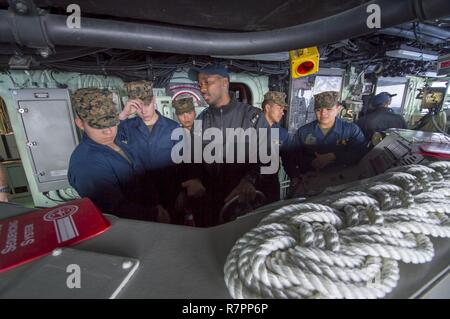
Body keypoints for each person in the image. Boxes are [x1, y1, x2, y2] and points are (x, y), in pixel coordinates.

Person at [68, 87, 170, 223]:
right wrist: (154, 214)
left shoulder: (117, 140)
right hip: (135, 227)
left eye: (111, 123)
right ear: (80, 123)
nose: (108, 132)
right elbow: (113, 209)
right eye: (98, 126)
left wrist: (157, 204)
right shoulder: (86, 163)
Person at [189, 63, 269, 225]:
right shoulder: (201, 120)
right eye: (199, 84)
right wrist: (195, 179)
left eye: (207, 82)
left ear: (224, 82)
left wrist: (249, 180)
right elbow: (193, 157)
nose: (202, 89)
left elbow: (267, 156)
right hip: (210, 202)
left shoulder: (253, 117)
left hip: (244, 202)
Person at [119, 81, 203, 224]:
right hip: (141, 197)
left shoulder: (173, 128)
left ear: (154, 101)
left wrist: (182, 193)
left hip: (170, 195)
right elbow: (105, 141)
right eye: (138, 107)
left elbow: (185, 163)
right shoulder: (126, 127)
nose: (144, 111)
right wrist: (122, 115)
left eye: (147, 105)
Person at [285, 91, 367, 189]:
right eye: (319, 109)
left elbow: (361, 152)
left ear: (338, 109)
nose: (323, 113)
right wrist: (308, 164)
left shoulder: (351, 130)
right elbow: (291, 157)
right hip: (311, 183)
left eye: (328, 109)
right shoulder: (303, 132)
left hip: (343, 183)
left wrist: (334, 156)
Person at [256, 91, 290, 203]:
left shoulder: (281, 133)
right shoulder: (247, 128)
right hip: (248, 184)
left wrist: (295, 177)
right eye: (279, 108)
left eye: (283, 109)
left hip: (271, 183)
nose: (282, 112)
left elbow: (289, 158)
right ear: (267, 107)